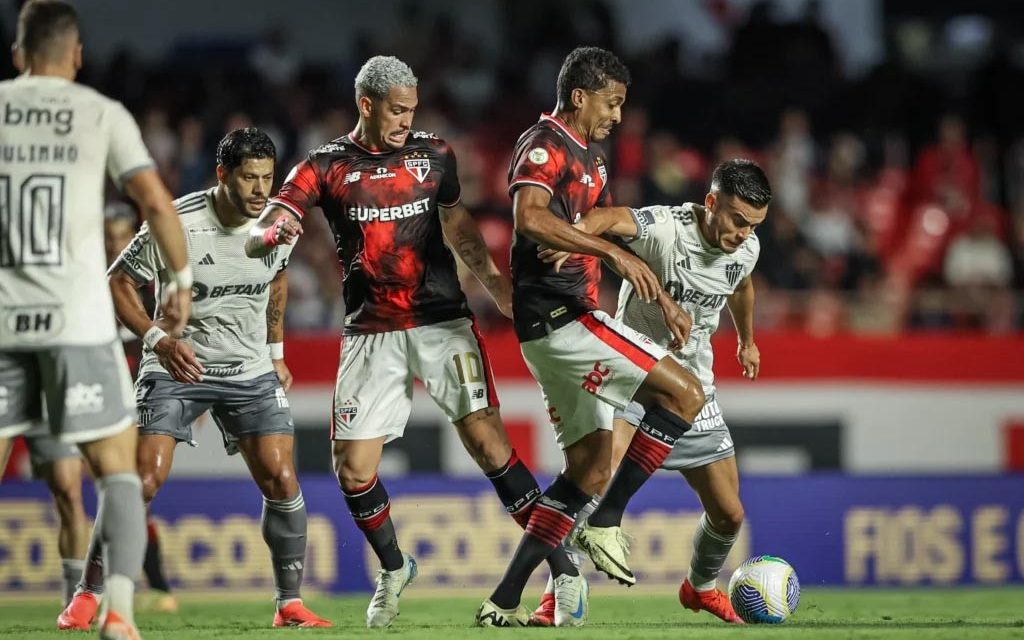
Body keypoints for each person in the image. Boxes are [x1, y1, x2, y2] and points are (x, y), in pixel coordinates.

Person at [246, 55, 578, 629]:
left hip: (442, 323)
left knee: (491, 449)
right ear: (366, 105)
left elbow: (457, 225)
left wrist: (497, 287)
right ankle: (395, 567)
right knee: (353, 471)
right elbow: (274, 215)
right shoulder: (326, 165)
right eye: (396, 110)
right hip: (370, 332)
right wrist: (270, 230)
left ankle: (564, 572)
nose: (405, 121)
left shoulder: (434, 156)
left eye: (411, 110)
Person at [474, 46, 710, 627]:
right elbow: (528, 217)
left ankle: (502, 599)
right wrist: (601, 249)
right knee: (685, 394)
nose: (618, 115)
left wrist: (657, 287)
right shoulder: (543, 143)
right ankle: (606, 521)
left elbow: (597, 227)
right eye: (612, 102)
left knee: (588, 469)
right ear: (580, 96)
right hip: (563, 321)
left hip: (553, 330)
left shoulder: (594, 162)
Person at [58, 128, 331, 629]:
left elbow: (276, 277)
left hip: (249, 368)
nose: (259, 190)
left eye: (267, 179)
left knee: (282, 478)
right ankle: (88, 592)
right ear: (222, 174)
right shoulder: (176, 223)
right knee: (141, 481)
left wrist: (276, 351)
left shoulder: (277, 223)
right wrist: (157, 339)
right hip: (175, 364)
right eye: (248, 178)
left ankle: (288, 603)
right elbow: (118, 281)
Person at [0, 2, 192, 639]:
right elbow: (155, 202)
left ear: (18, 55)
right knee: (116, 474)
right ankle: (119, 615)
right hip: (78, 326)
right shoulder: (101, 113)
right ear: (76, 54)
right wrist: (180, 285)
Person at [541, 158, 770, 623]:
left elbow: (742, 286)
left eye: (754, 225)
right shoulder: (666, 228)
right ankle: (558, 591)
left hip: (692, 390)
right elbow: (609, 217)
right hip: (632, 378)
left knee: (729, 515)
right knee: (592, 481)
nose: (745, 233)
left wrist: (746, 339)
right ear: (710, 203)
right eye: (738, 220)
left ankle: (700, 588)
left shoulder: (747, 249)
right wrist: (573, 238)